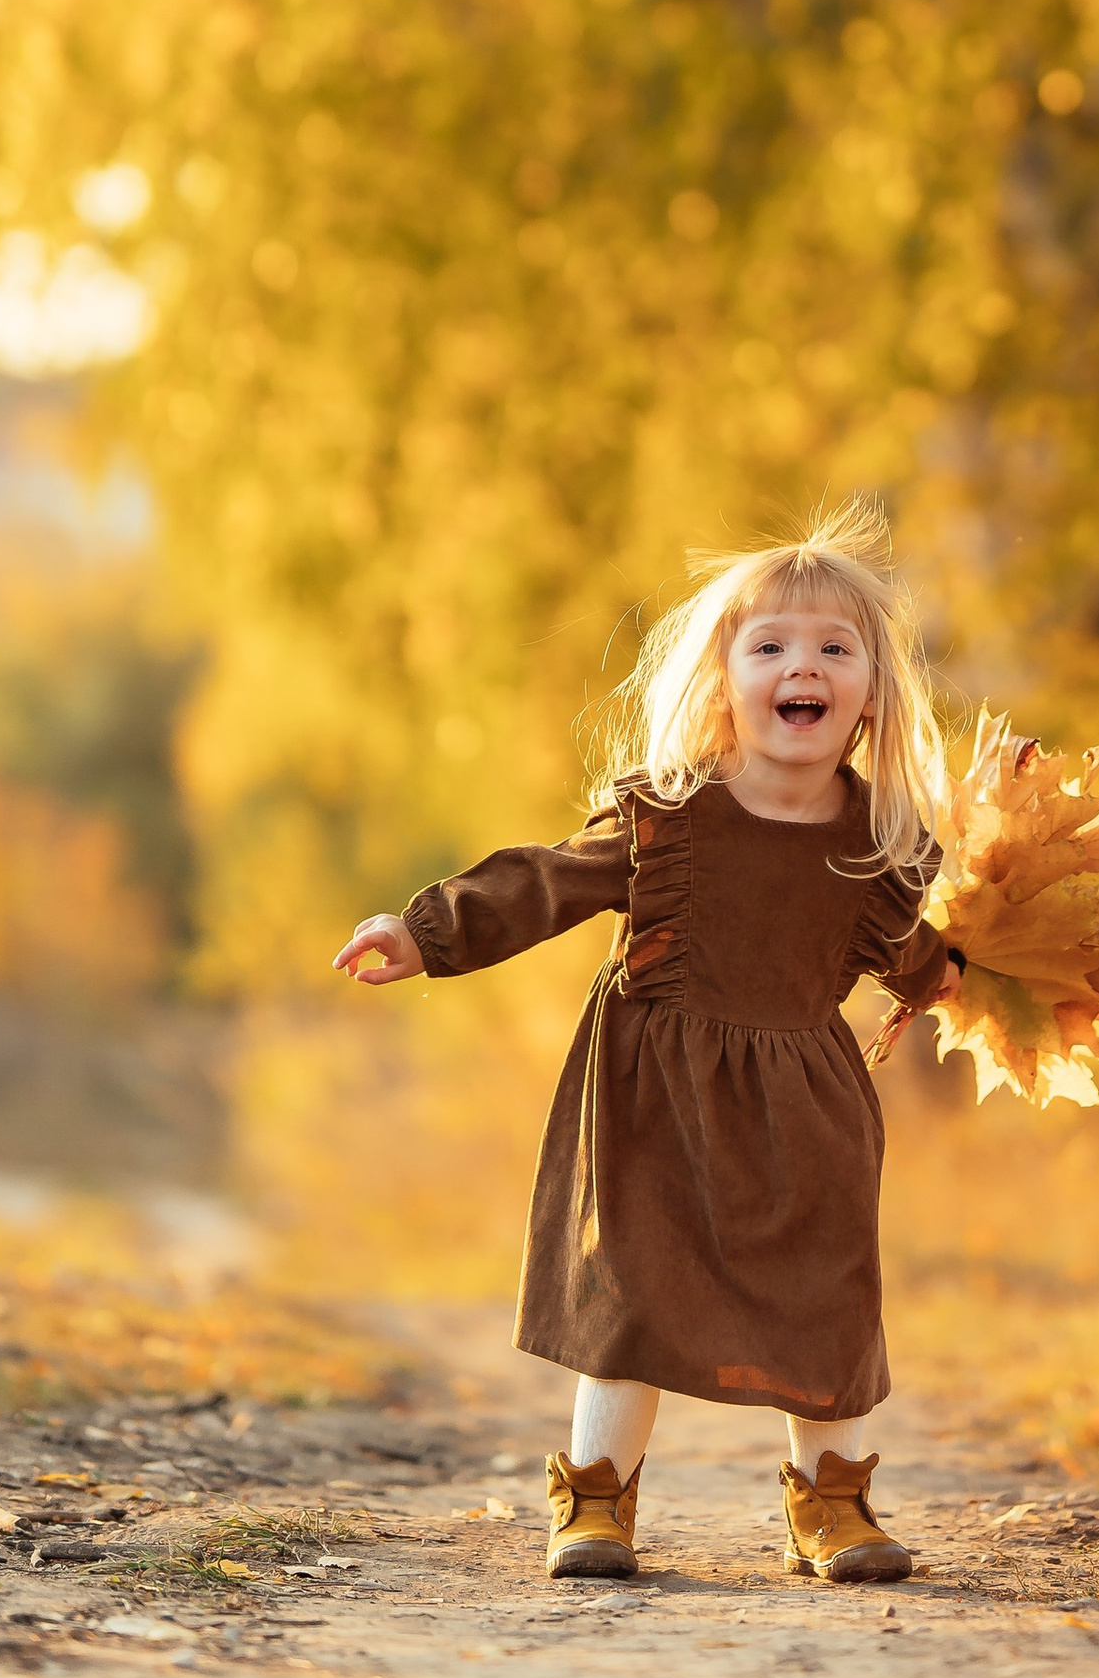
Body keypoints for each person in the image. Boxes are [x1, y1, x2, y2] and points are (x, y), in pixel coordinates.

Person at [332, 502, 963, 1588]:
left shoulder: (881, 845)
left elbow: (913, 955)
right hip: (650, 1097)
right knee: (630, 1290)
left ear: (869, 692)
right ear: (724, 680)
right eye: (767, 646)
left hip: (806, 1105)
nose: (798, 666)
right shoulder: (669, 815)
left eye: (830, 648)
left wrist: (981, 978)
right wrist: (426, 931)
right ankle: (595, 1503)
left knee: (827, 1294)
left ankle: (833, 1504)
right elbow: (547, 879)